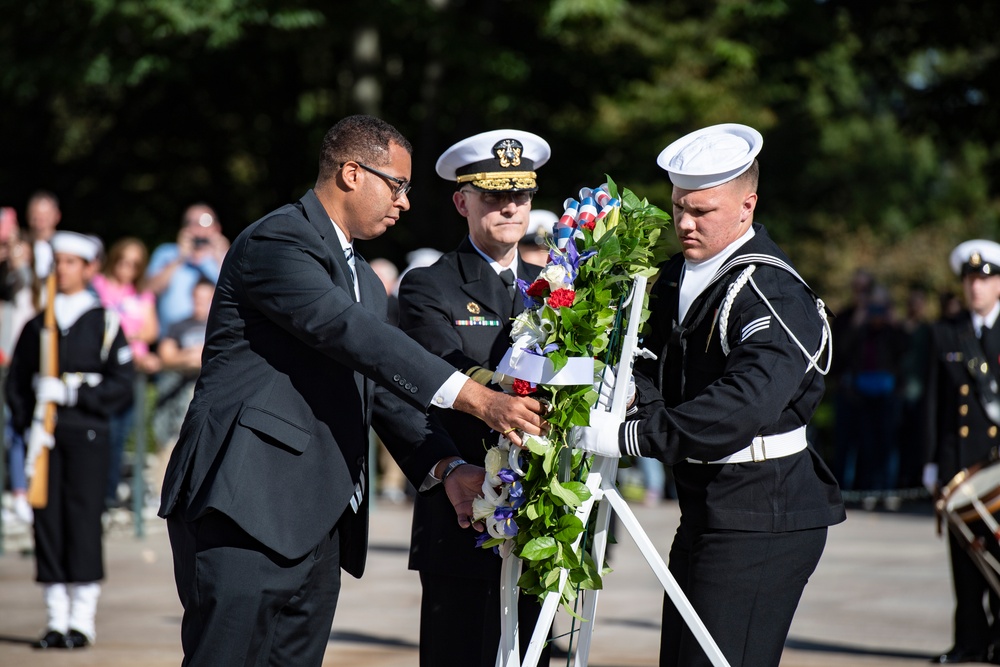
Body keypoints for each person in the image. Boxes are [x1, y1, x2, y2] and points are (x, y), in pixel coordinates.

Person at [157, 114, 548, 667]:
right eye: (398, 185)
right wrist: (475, 396)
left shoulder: (362, 277)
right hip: (245, 505)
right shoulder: (278, 240)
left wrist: (446, 468)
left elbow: (381, 388)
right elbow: (350, 333)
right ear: (350, 173)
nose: (406, 203)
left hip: (317, 524)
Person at [573, 123, 846, 667]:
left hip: (762, 510)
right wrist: (633, 396)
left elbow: (742, 405)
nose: (685, 222)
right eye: (678, 207)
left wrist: (632, 436)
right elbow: (646, 362)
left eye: (703, 210)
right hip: (707, 502)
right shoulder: (675, 276)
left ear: (747, 206)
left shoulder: (772, 291)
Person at [398, 129, 551, 666]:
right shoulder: (429, 285)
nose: (510, 206)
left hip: (543, 514)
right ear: (463, 201)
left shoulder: (557, 286)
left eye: (521, 195)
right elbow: (437, 370)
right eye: (493, 195)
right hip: (466, 509)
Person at [5, 231, 135, 649]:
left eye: (71, 262)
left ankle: (82, 620)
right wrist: (30, 423)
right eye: (57, 262)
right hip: (46, 438)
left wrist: (74, 394)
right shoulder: (38, 324)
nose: (62, 270)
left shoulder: (103, 321)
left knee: (81, 522)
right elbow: (18, 387)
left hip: (87, 434)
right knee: (49, 524)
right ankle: (55, 619)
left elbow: (122, 386)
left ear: (89, 268)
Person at [924, 240, 1000, 665]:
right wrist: (932, 462)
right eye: (971, 279)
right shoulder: (946, 333)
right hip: (960, 464)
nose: (976, 287)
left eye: (985, 279)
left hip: (997, 463)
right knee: (965, 559)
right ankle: (969, 641)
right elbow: (933, 404)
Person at [91, 237, 161, 508]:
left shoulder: (141, 293)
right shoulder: (98, 287)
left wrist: (121, 335)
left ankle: (107, 496)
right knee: (100, 432)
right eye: (123, 261)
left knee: (119, 435)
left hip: (130, 373)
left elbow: (151, 331)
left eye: (135, 264)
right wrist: (131, 337)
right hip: (103, 371)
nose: (127, 268)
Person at [150, 278, 212, 498]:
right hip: (179, 395)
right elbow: (165, 357)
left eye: (206, 298)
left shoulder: (220, 323)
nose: (200, 303)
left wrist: (188, 355)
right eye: (197, 298)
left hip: (208, 393)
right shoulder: (179, 325)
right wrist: (193, 356)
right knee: (170, 441)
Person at [145, 203, 228, 337]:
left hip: (215, 339)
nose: (200, 229)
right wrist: (180, 257)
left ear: (217, 228)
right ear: (184, 228)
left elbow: (238, 293)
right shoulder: (167, 254)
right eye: (194, 223)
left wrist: (222, 258)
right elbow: (147, 291)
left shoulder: (225, 259)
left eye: (206, 222)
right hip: (171, 345)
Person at [25, 190, 61, 279]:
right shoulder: (21, 246)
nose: (40, 222)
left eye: (45, 217)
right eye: (35, 217)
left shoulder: (65, 249)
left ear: (57, 216)